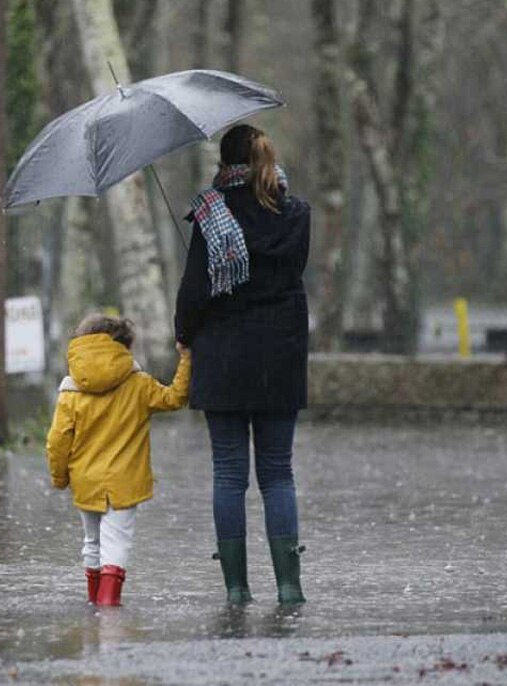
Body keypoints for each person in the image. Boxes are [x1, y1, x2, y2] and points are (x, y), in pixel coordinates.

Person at [175, 124, 310, 605]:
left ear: (224, 163)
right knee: (278, 473)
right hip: (281, 356)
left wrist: (183, 333)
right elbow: (290, 275)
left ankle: (236, 588)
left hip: (225, 358)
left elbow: (195, 293)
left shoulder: (211, 215)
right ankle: (289, 586)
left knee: (230, 474)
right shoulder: (296, 214)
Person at [46, 314, 191, 607]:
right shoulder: (138, 384)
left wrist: (60, 477)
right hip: (124, 480)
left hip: (85, 480)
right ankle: (109, 605)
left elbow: (58, 440)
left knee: (92, 542)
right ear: (123, 346)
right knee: (117, 543)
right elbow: (175, 398)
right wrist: (186, 359)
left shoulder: (70, 391)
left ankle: (94, 603)